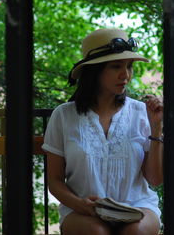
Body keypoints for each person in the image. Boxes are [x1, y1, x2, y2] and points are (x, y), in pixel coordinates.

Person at [42, 28, 163, 235]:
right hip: (81, 210)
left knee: (136, 232)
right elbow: (54, 180)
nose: (125, 74)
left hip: (138, 205)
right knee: (97, 232)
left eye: (129, 66)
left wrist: (156, 128)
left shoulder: (141, 112)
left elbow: (154, 179)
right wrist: (80, 204)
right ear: (94, 71)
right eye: (116, 66)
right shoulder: (63, 116)